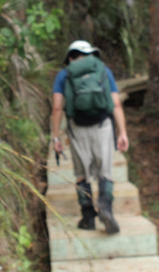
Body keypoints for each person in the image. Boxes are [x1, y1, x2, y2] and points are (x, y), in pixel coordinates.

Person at [51, 40, 129, 234]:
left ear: (70, 57)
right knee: (105, 172)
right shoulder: (103, 70)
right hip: (103, 125)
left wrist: (55, 137)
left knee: (81, 173)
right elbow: (116, 104)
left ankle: (88, 218)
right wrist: (122, 133)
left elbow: (57, 107)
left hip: (78, 128)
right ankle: (106, 208)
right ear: (91, 54)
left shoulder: (64, 74)